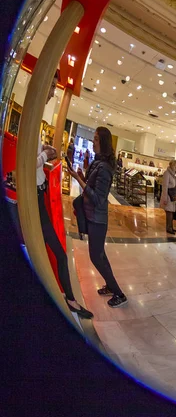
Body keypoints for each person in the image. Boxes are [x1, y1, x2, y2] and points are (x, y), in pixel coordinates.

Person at [38, 72, 92, 319]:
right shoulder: (34, 114)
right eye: (50, 86)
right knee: (56, 252)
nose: (52, 92)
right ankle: (69, 299)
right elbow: (28, 161)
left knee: (53, 250)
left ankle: (68, 297)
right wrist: (44, 156)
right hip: (36, 197)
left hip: (40, 194)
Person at [67, 126, 127, 308]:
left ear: (103, 143)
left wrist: (79, 181)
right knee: (100, 255)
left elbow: (99, 199)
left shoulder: (105, 168)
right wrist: (80, 176)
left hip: (97, 219)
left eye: (95, 140)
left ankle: (119, 293)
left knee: (96, 256)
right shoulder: (98, 162)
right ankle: (110, 286)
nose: (93, 143)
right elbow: (91, 185)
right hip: (94, 217)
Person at [160, 160, 176, 234]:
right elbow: (165, 186)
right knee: (169, 212)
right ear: (172, 166)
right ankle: (169, 228)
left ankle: (170, 227)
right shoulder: (167, 173)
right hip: (168, 196)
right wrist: (164, 198)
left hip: (172, 195)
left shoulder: (172, 174)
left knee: (171, 212)